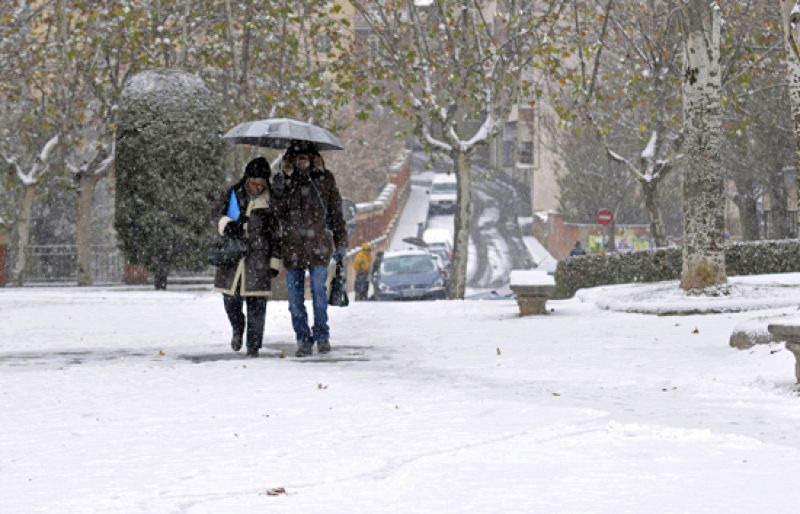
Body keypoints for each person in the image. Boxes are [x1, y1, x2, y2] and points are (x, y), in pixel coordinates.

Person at [272, 140, 347, 357]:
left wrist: (341, 242)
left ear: (313, 157)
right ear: (291, 159)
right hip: (292, 247)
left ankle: (322, 336)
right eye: (298, 156)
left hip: (318, 247)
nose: (302, 160)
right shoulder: (284, 181)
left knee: (318, 293)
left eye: (306, 156)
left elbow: (335, 213)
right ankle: (303, 339)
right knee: (295, 299)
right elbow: (277, 214)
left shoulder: (324, 179)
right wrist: (280, 189)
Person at [213, 157, 282, 358]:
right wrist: (226, 223)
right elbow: (214, 216)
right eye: (253, 183)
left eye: (261, 184)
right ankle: (238, 327)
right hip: (232, 257)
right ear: (247, 179)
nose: (256, 187)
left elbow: (276, 234)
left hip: (258, 258)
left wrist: (274, 261)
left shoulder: (271, 202)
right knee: (230, 300)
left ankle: (253, 346)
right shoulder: (232, 194)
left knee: (257, 305)